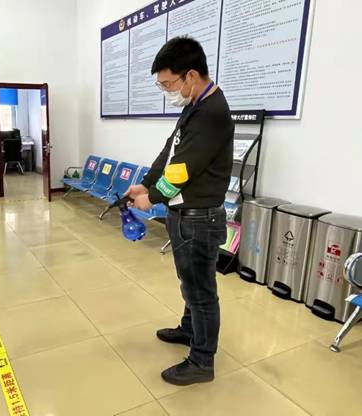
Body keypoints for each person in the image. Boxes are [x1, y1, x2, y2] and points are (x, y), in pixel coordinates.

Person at [125, 36, 234, 386]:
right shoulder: (194, 105)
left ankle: (202, 360)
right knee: (190, 282)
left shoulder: (212, 113)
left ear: (191, 75)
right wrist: (145, 184)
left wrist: (153, 197)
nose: (167, 91)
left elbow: (183, 170)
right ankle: (190, 330)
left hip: (199, 218)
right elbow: (169, 154)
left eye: (168, 83)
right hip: (185, 215)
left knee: (201, 291)